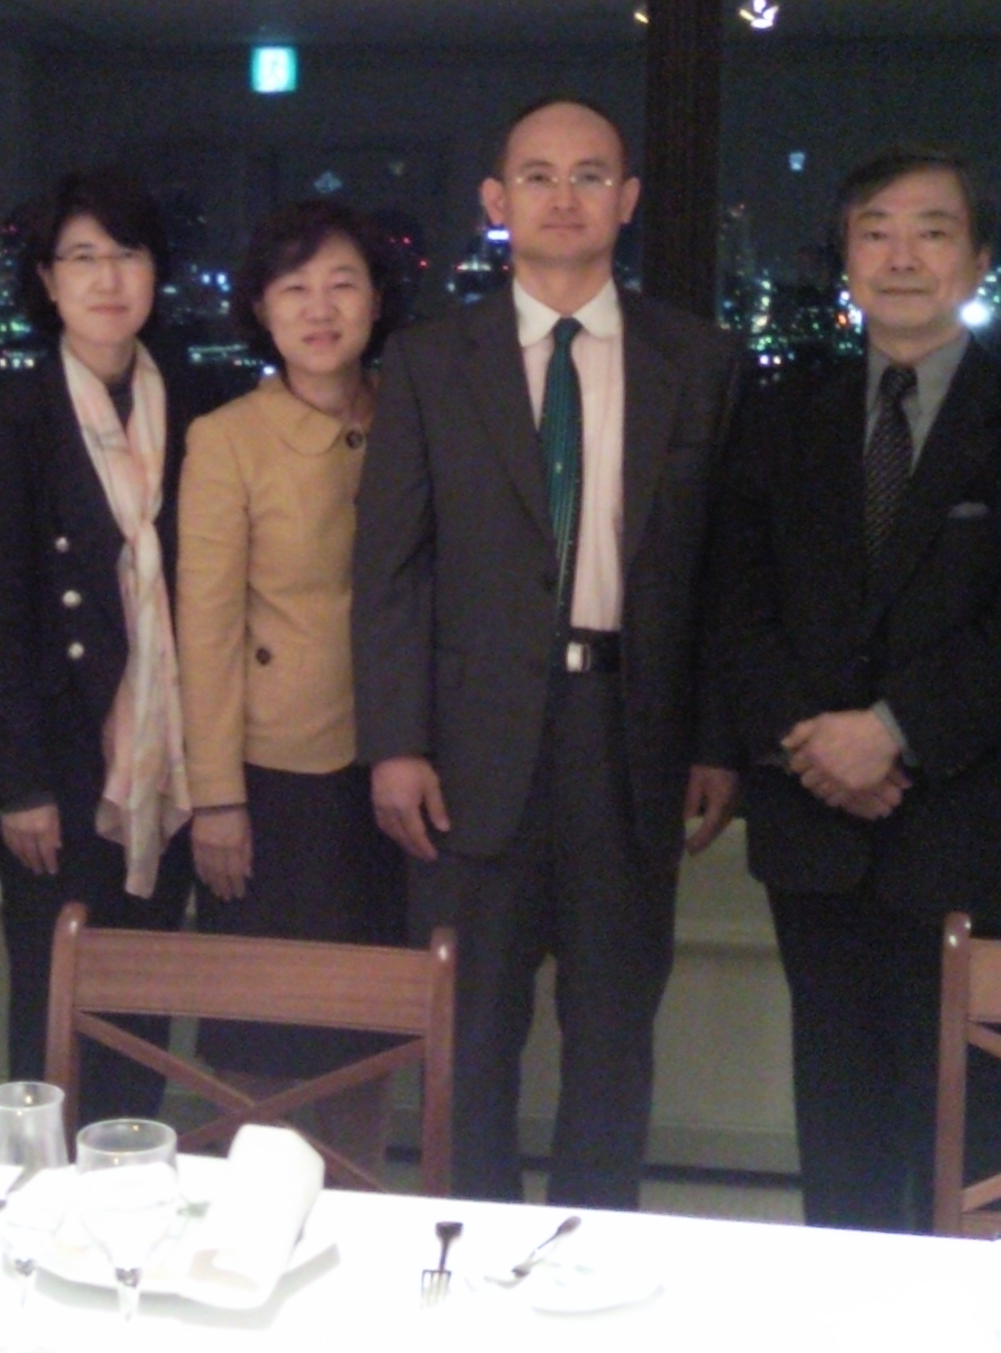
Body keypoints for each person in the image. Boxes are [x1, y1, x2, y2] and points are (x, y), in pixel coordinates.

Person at [707, 147, 1001, 1233]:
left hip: (963, 823)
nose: (900, 255)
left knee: (968, 1121)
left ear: (976, 261)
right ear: (843, 258)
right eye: (874, 231)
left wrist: (889, 733)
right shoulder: (781, 414)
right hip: (813, 827)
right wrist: (815, 745)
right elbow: (735, 603)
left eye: (931, 231)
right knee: (836, 1114)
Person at [354, 96, 739, 1209]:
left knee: (614, 1036)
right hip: (467, 750)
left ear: (627, 199)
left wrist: (717, 741)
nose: (562, 197)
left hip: (632, 738)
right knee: (469, 1034)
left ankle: (590, 1262)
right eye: (536, 176)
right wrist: (395, 743)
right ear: (496, 200)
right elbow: (390, 569)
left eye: (589, 175)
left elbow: (724, 570)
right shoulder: (430, 361)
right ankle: (468, 1255)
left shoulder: (699, 361)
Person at [0, 168, 200, 1120]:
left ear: (156, 272)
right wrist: (18, 784)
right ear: (47, 281)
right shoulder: (9, 415)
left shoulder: (196, 400)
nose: (108, 279)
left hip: (168, 750)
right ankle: (43, 1187)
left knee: (144, 994)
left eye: (127, 255)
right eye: (83, 258)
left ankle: (134, 1171)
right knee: (53, 995)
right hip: (61, 763)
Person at [178, 200, 406, 1168]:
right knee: (265, 1037)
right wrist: (215, 796)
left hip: (401, 768)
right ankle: (253, 1230)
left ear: (377, 300)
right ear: (261, 310)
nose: (320, 308)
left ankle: (359, 1210)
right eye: (294, 288)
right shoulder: (227, 437)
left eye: (342, 283)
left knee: (374, 1025)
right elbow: (205, 628)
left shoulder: (416, 415)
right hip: (277, 781)